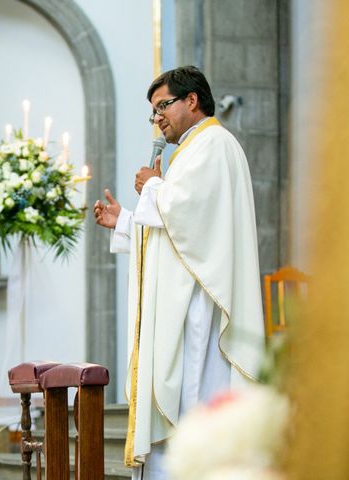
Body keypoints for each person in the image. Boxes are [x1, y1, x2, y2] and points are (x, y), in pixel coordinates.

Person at [93, 66, 265, 480]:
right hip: (187, 302)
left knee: (196, 405)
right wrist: (126, 221)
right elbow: (176, 231)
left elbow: (190, 221)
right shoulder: (192, 149)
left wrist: (153, 185)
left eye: (162, 106)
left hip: (202, 313)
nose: (157, 119)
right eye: (153, 112)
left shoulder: (214, 144)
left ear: (192, 101)